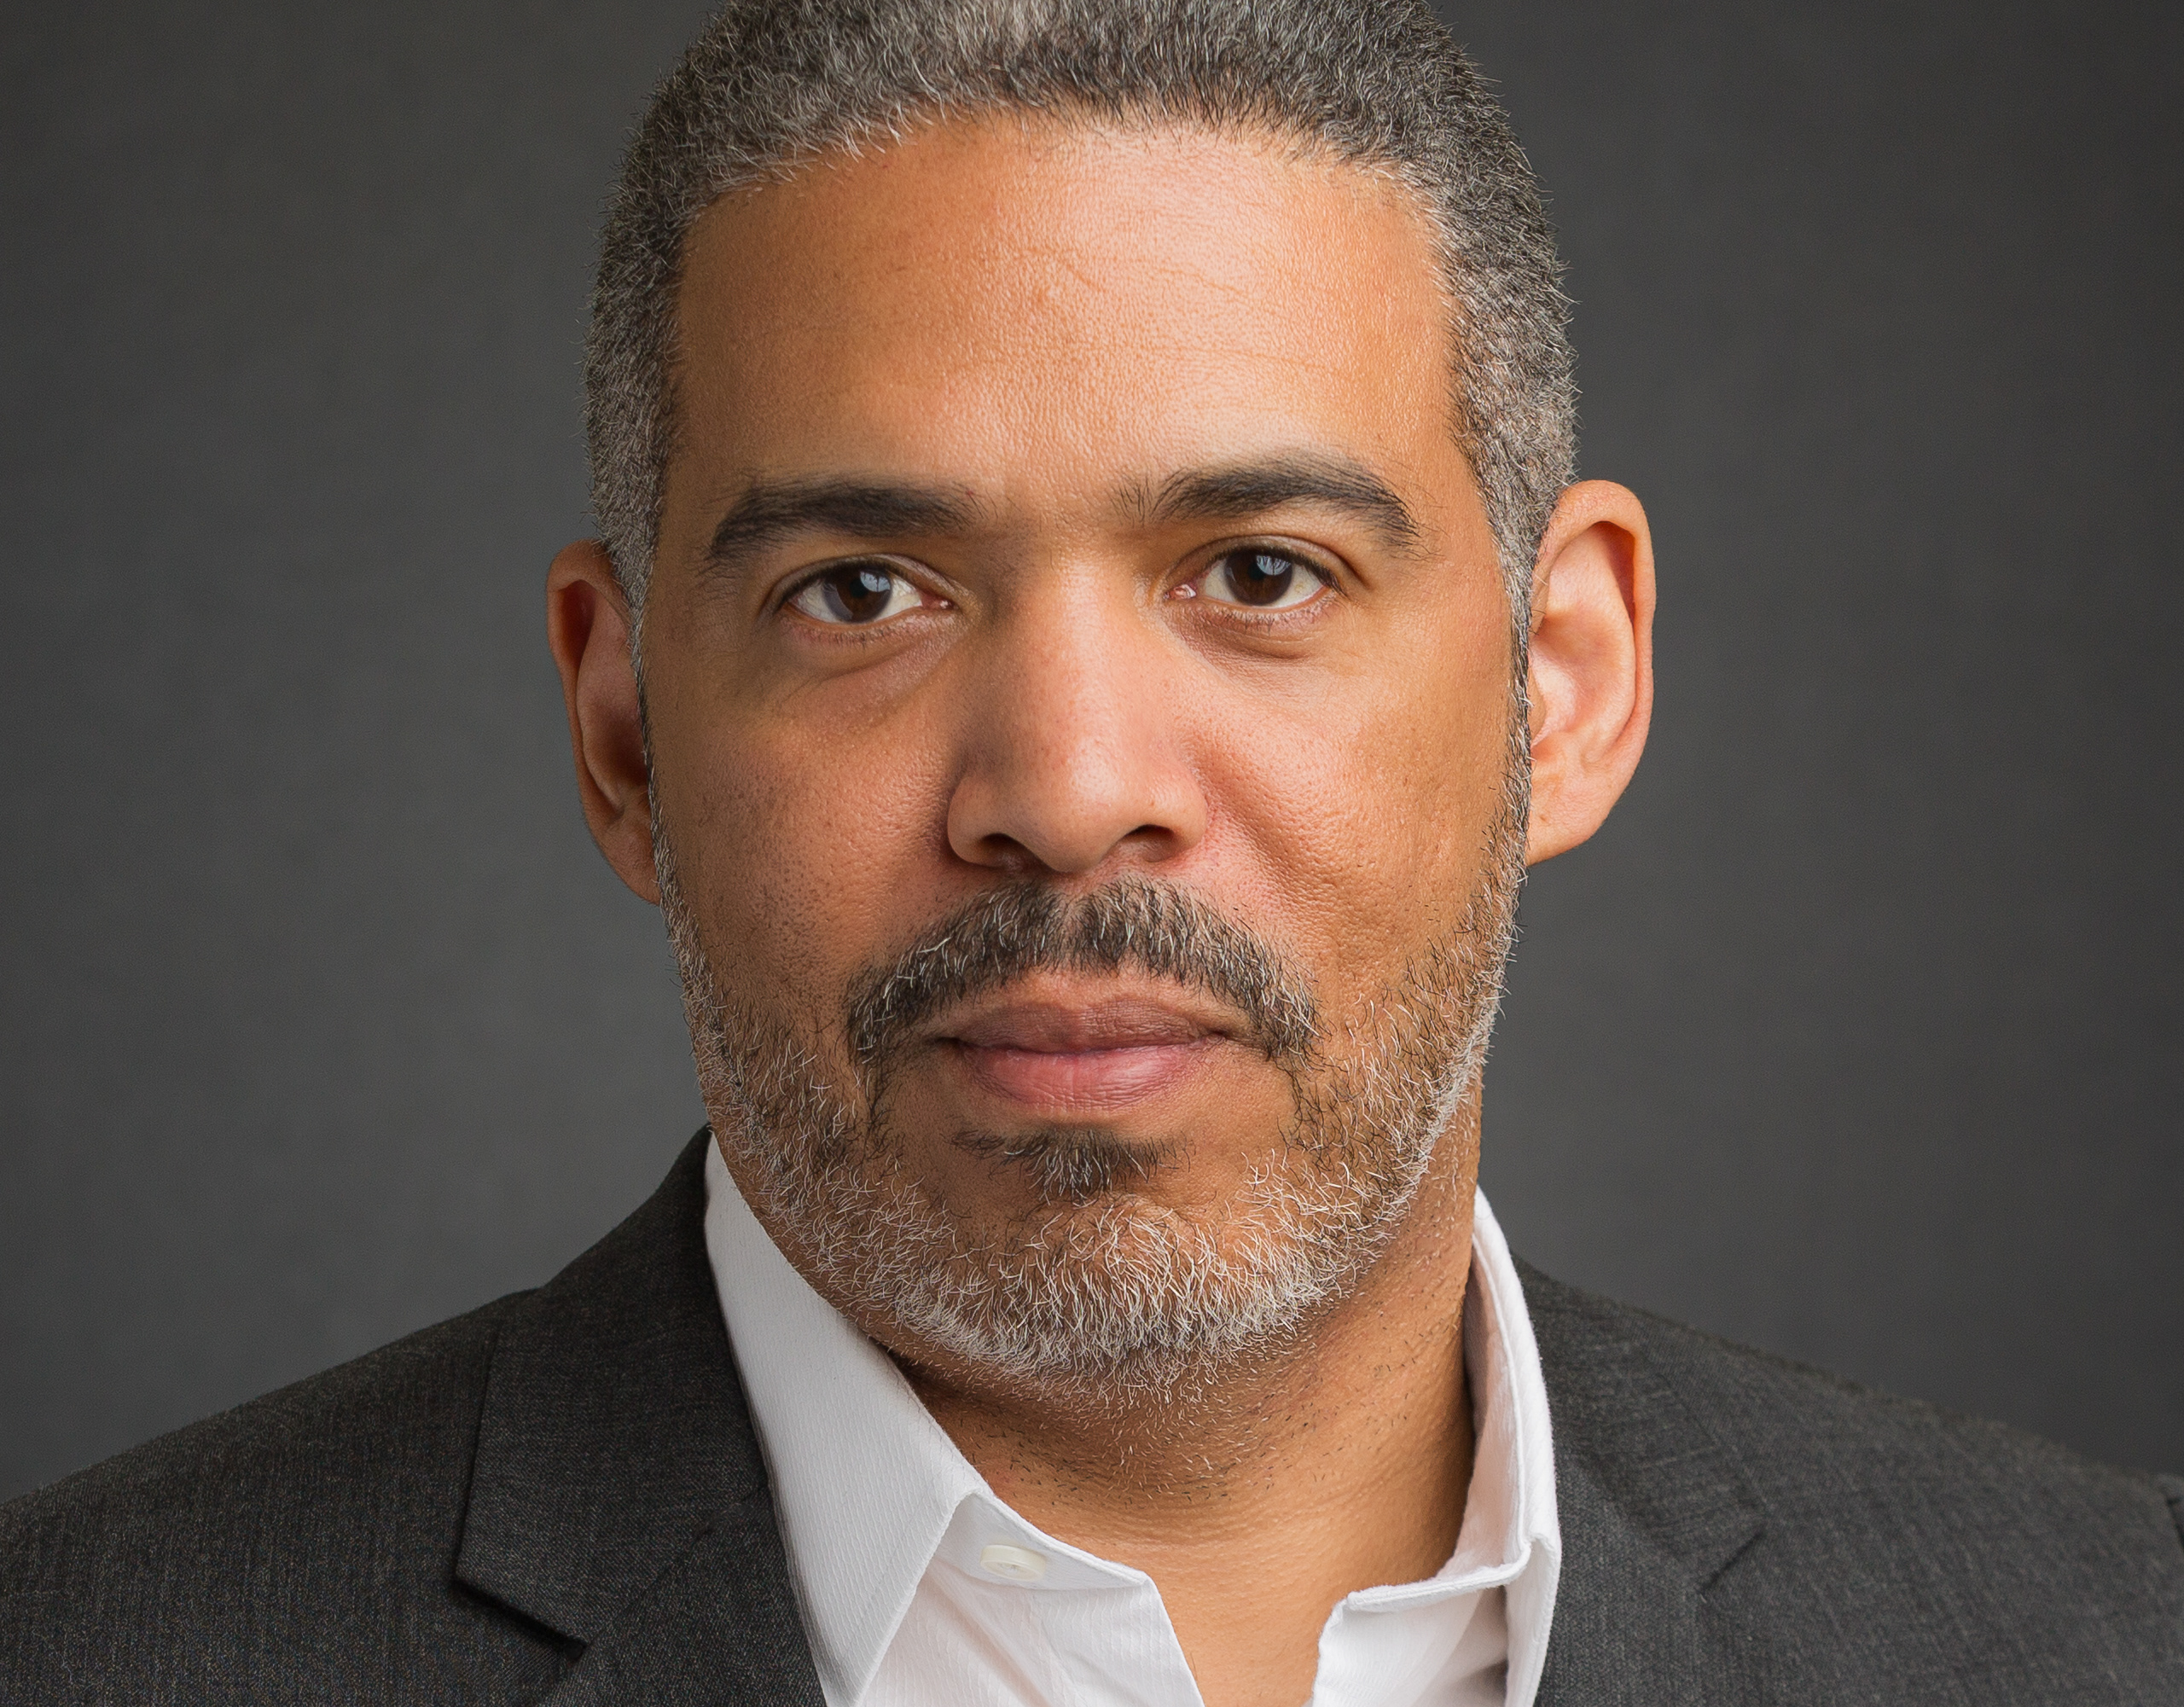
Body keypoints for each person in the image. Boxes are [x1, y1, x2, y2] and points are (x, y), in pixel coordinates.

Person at [3, 1, 2178, 1700]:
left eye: (1257, 571)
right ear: (625, 728)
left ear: (1562, 681)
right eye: (862, 591)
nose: (1061, 787)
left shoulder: (2106, 1633)